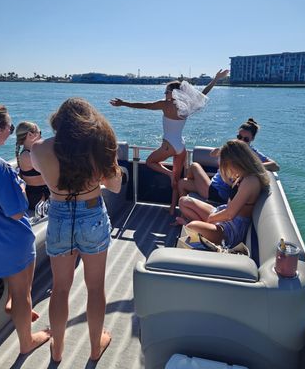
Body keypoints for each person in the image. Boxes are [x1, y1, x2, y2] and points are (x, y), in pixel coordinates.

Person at [31, 97, 122, 363]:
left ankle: (57, 350)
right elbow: (115, 186)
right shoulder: (100, 147)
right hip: (91, 213)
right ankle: (95, 348)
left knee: (59, 288)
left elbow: (39, 169)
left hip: (59, 216)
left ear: (58, 122)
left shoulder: (39, 149)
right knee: (95, 288)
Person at [110, 70, 229, 215]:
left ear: (173, 93)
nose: (164, 94)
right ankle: (172, 209)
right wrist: (216, 78)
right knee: (176, 182)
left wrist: (123, 103)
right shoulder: (187, 106)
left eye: (166, 91)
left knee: (149, 162)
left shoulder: (164, 105)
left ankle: (169, 174)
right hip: (181, 146)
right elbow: (204, 93)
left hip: (169, 145)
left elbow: (144, 105)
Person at [0, 102, 50, 354]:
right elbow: (17, 211)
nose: (10, 132)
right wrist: (22, 188)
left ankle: (13, 307)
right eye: (9, 127)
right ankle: (27, 342)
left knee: (16, 294)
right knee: (22, 293)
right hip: (12, 242)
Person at [178, 139, 270, 247]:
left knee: (192, 226)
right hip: (223, 214)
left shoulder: (251, 181)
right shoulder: (242, 175)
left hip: (230, 229)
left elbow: (230, 215)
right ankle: (204, 229)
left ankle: (199, 227)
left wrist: (211, 218)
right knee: (184, 201)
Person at [177, 118, 279, 212]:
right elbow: (212, 154)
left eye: (246, 139)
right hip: (213, 187)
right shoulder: (232, 148)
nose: (241, 141)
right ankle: (182, 217)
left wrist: (253, 167)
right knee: (182, 183)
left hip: (218, 192)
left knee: (194, 166)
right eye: (239, 137)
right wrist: (222, 149)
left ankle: (185, 211)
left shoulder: (252, 153)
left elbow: (275, 166)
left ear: (252, 139)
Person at [15, 121, 50, 210]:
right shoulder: (27, 156)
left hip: (42, 193)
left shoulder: (31, 153)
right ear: (30, 135)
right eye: (39, 132)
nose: (41, 136)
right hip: (38, 197)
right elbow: (50, 171)